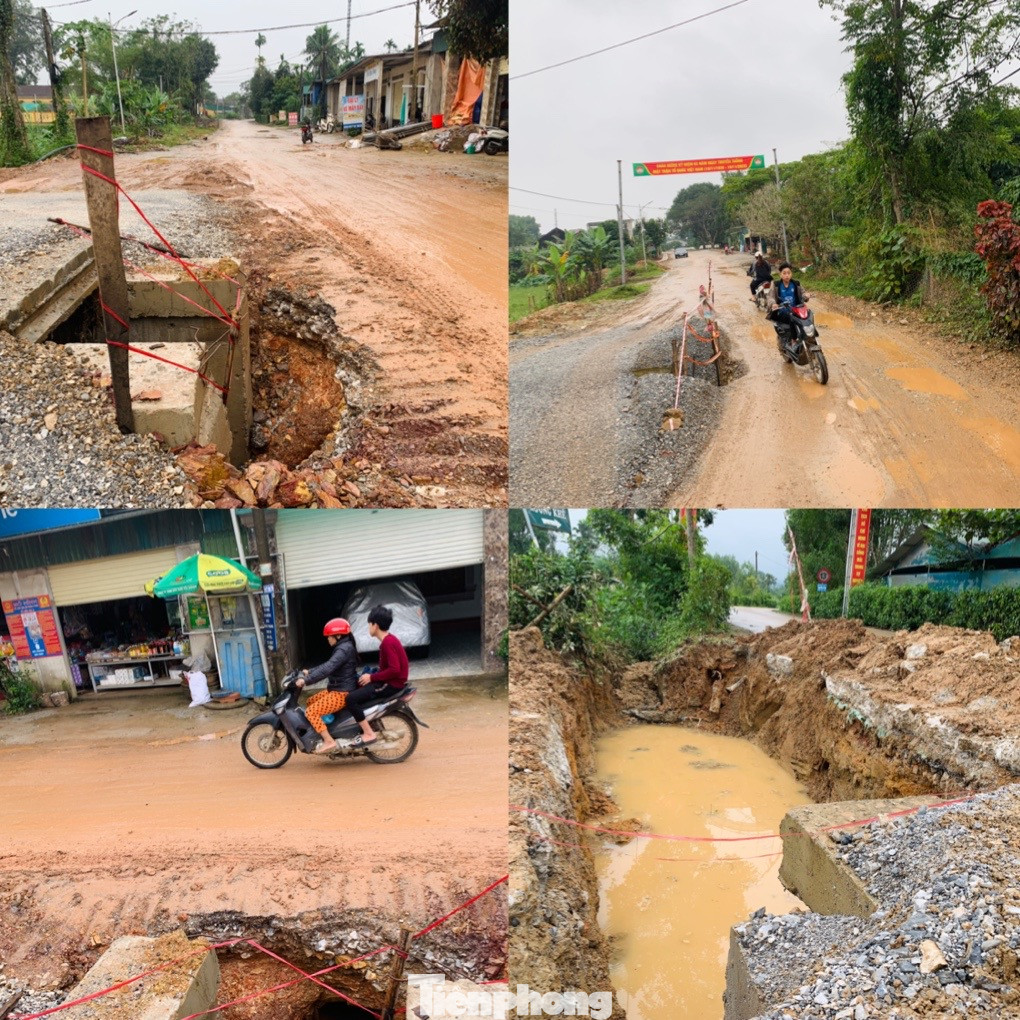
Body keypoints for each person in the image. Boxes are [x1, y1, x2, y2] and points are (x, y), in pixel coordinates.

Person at [343, 605, 409, 745]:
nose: (368, 627)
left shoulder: (387, 643)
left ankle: (368, 733)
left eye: (369, 624)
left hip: (391, 685)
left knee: (350, 699)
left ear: (375, 625)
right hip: (389, 682)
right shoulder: (389, 640)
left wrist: (371, 678)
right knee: (358, 687)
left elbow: (395, 670)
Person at [296, 618, 359, 754]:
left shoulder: (343, 649)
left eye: (329, 636)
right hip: (337, 688)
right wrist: (310, 671)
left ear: (338, 635)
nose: (328, 639)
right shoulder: (343, 647)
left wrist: (305, 681)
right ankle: (329, 729)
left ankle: (329, 741)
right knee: (310, 701)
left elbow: (328, 668)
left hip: (342, 692)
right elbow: (327, 665)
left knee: (311, 712)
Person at [767, 262, 809, 351]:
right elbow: (770, 297)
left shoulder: (796, 284)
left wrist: (806, 295)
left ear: (791, 274)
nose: (787, 275)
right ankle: (794, 341)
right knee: (792, 317)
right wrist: (773, 304)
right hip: (781, 311)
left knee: (808, 315)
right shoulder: (776, 285)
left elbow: (803, 293)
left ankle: (808, 336)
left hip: (796, 310)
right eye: (784, 273)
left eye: (789, 273)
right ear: (780, 274)